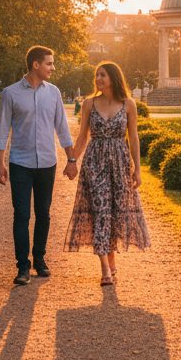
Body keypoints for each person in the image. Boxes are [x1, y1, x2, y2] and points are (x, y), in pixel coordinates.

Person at [0, 45, 78, 286]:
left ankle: (39, 259)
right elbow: (2, 131)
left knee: (43, 214)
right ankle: (23, 266)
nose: (53, 68)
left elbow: (62, 128)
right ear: (36, 65)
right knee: (21, 215)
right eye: (49, 63)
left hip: (47, 163)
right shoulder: (10, 94)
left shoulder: (53, 93)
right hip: (20, 163)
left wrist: (71, 160)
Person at [64, 61, 151, 284]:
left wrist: (137, 169)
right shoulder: (89, 104)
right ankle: (104, 268)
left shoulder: (129, 104)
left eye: (102, 75)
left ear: (113, 77)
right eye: (96, 76)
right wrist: (72, 160)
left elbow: (133, 138)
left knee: (115, 213)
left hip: (121, 164)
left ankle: (111, 258)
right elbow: (83, 136)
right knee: (101, 212)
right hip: (95, 163)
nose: (98, 79)